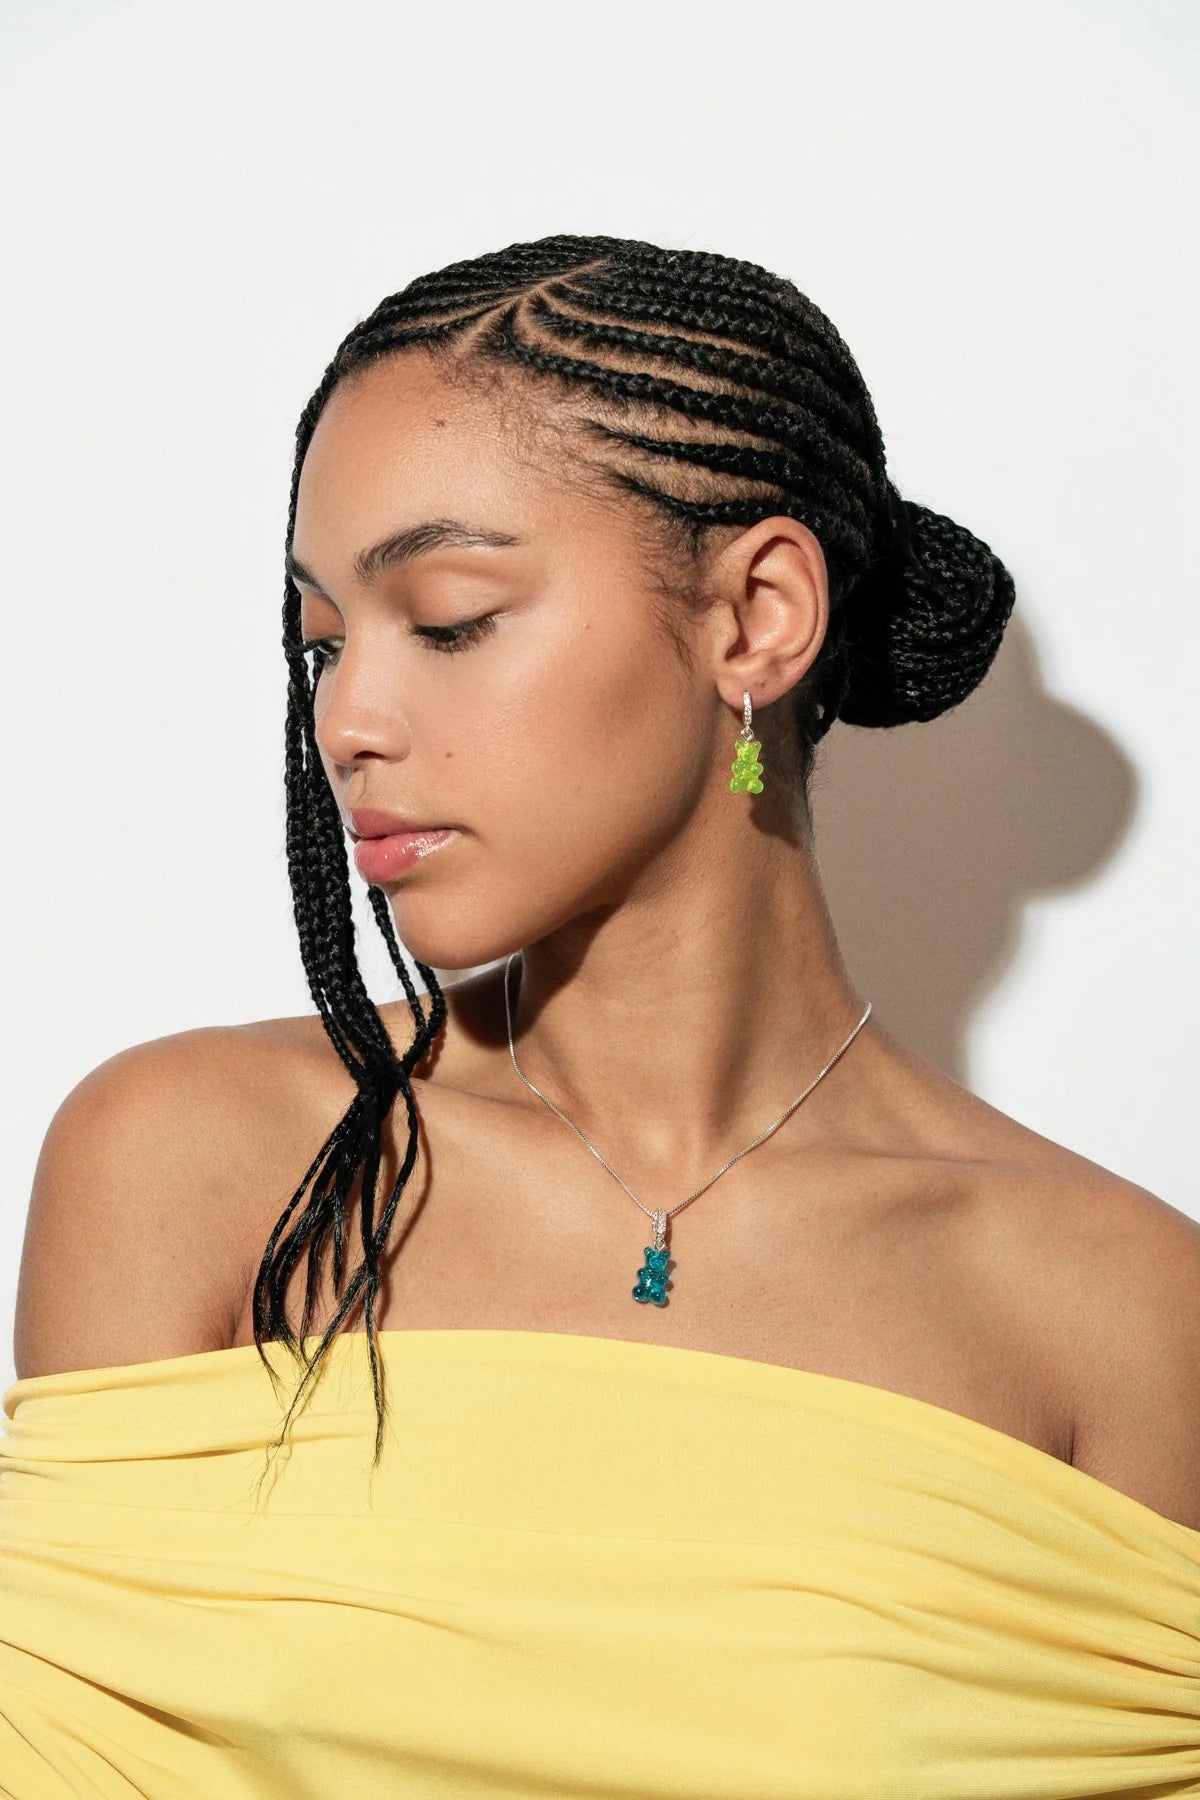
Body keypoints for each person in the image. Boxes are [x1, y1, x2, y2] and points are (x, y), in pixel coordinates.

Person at [2, 233, 1197, 1796]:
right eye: (321, 644)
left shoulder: (1119, 1312)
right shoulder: (193, 1164)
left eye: (448, 618)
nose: (348, 720)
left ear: (756, 617)